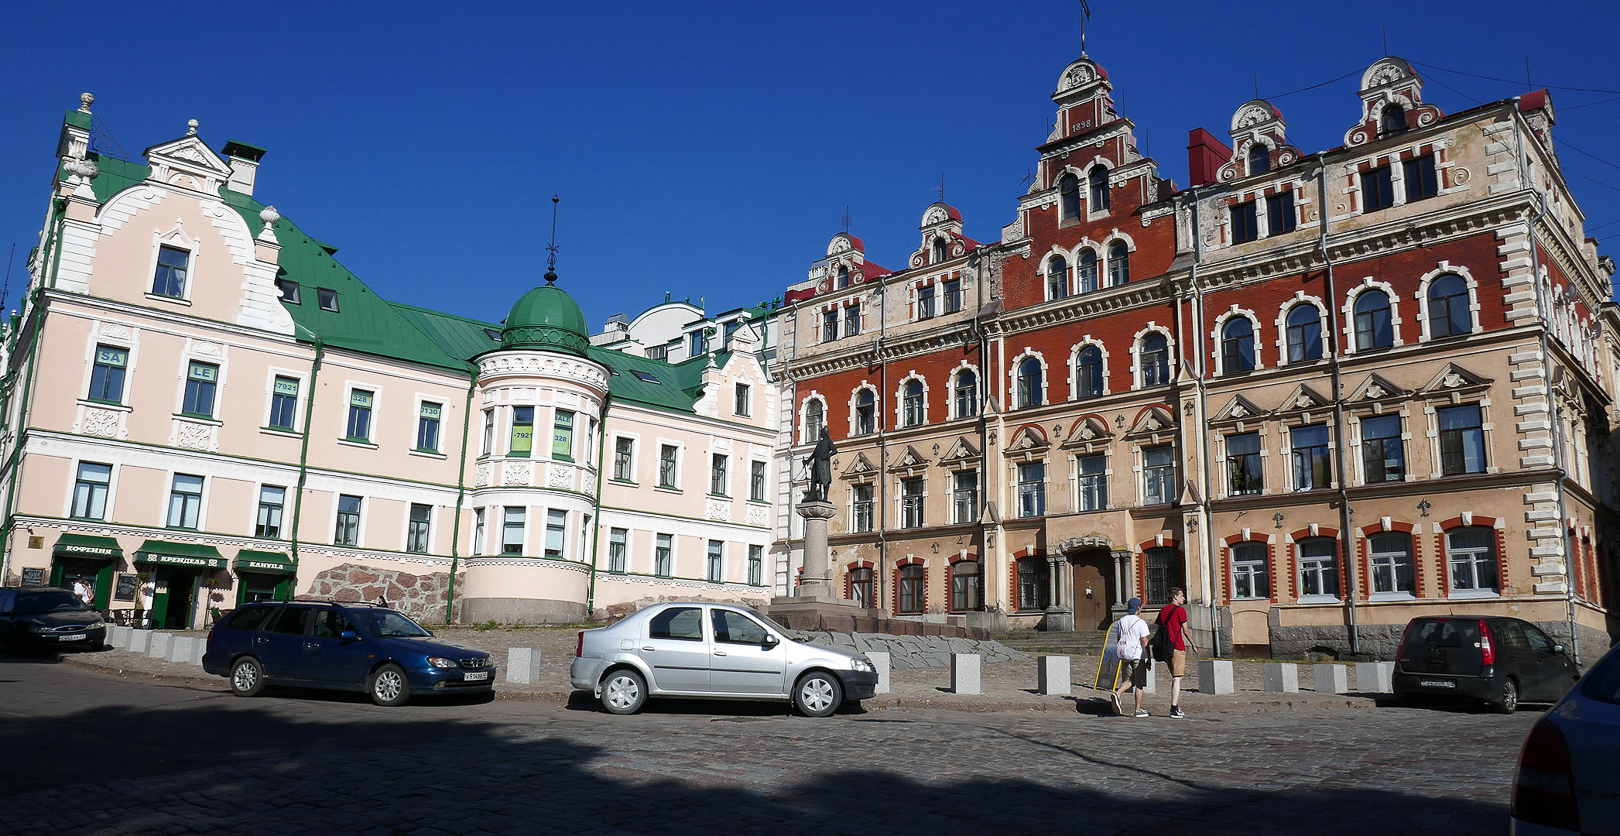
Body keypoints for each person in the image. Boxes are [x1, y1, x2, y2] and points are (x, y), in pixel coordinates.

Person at [1157, 587, 1198, 718]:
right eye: (1182, 596)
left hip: (1165, 647)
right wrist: (1193, 644)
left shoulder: (1163, 610)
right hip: (1177, 646)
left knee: (1174, 677)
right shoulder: (1180, 611)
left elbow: (1159, 628)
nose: (1184, 598)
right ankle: (1174, 708)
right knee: (1177, 678)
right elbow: (1185, 630)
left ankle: (1176, 706)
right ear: (1175, 597)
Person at [1111, 597, 1151, 718]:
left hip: (1124, 654)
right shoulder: (1140, 622)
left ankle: (1118, 694)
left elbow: (1119, 637)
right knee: (1139, 684)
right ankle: (1138, 710)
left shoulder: (1121, 621)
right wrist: (1149, 657)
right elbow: (1145, 641)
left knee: (1128, 680)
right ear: (1138, 608)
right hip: (1137, 655)